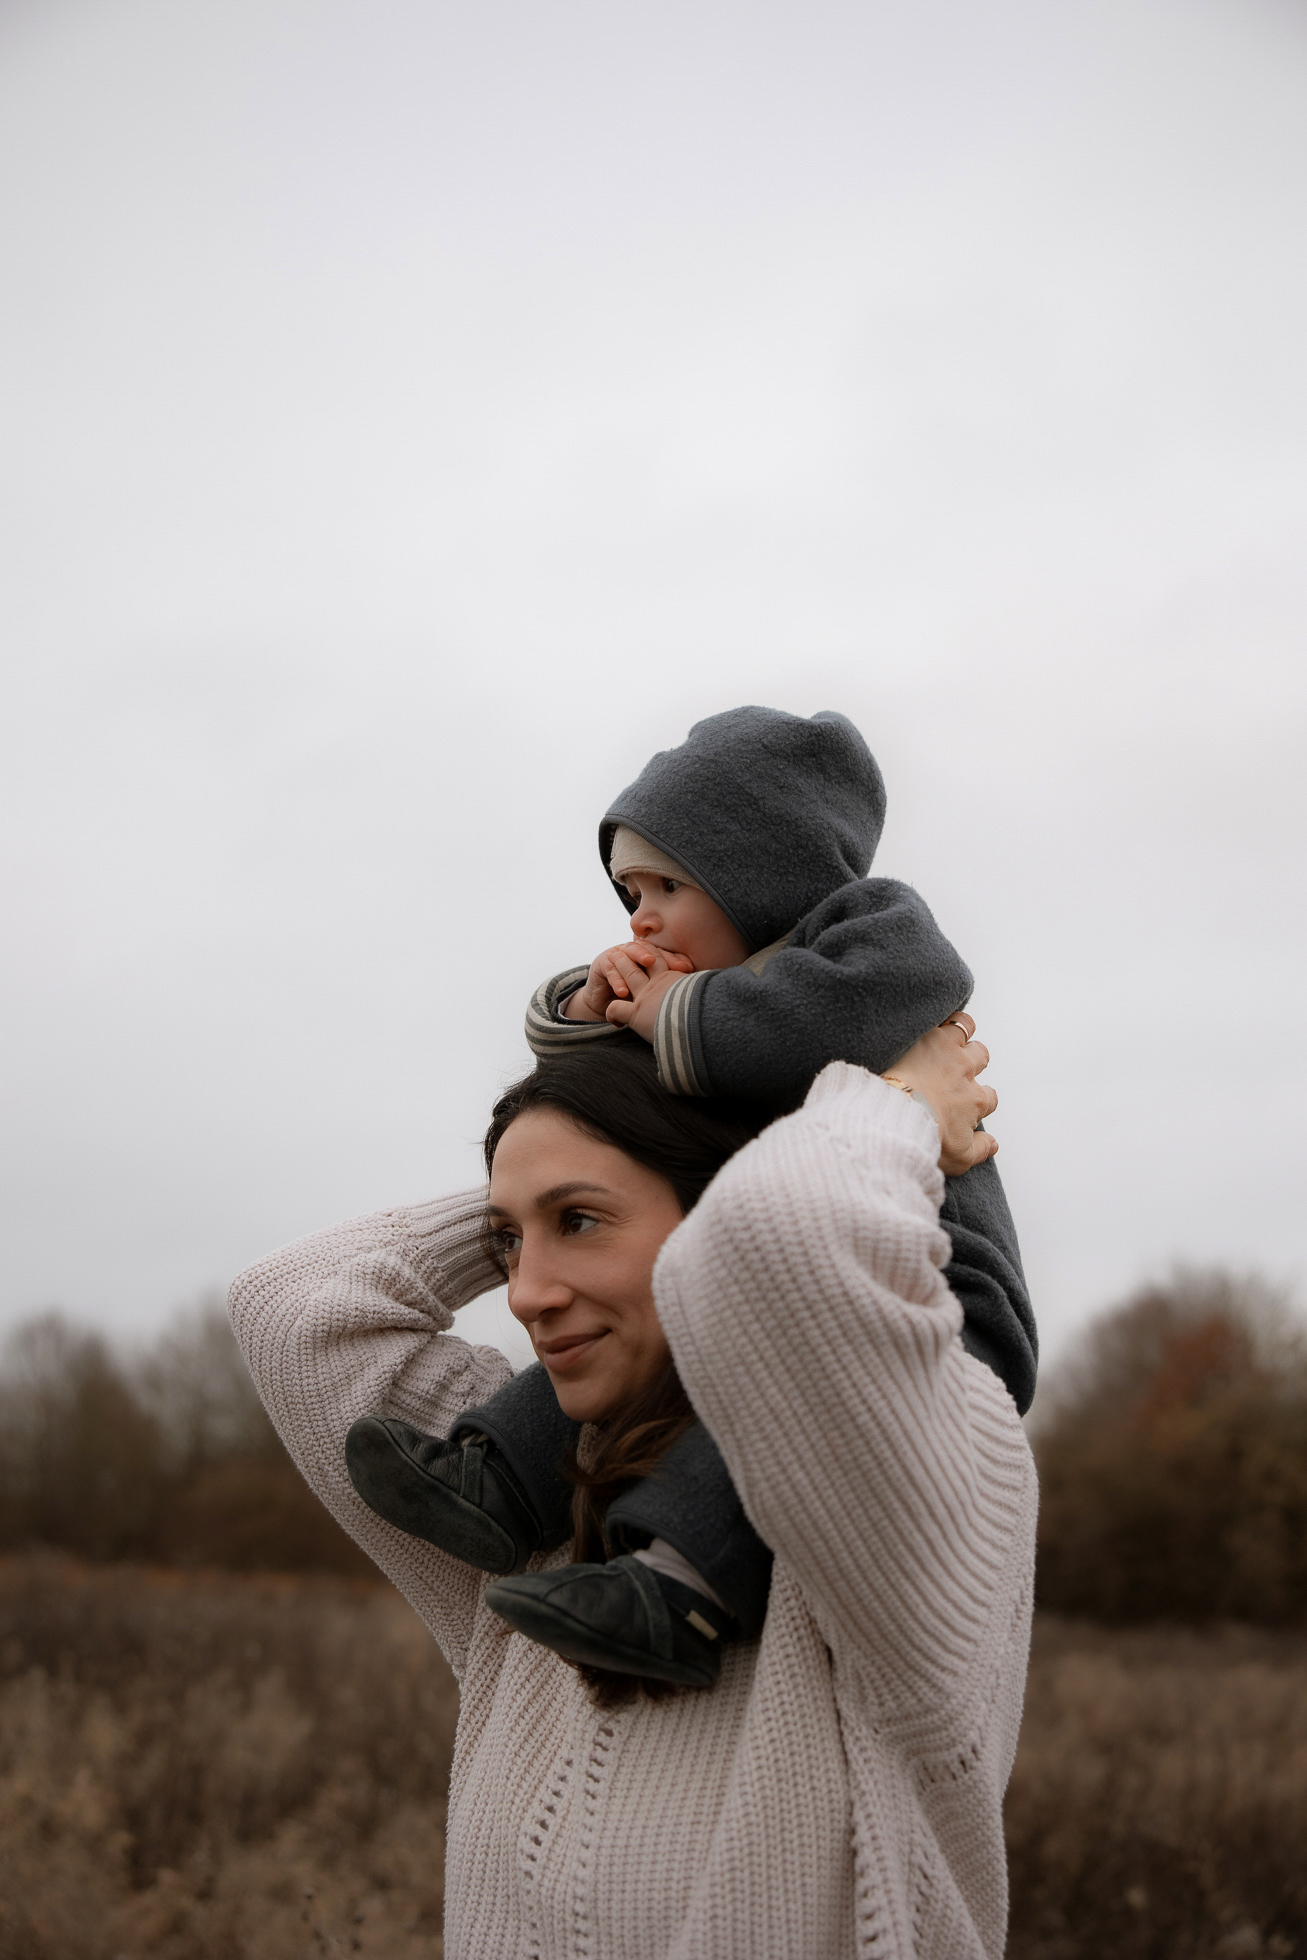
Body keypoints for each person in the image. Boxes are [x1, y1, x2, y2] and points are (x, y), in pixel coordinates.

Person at [229, 1025, 1035, 1960]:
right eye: (506, 1242)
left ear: (716, 1217)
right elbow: (287, 1305)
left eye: (577, 1222)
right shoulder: (534, 1511)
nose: (525, 1293)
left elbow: (777, 1241)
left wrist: (883, 1109)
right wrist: (556, 1145)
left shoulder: (925, 1474)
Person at [344, 707, 1036, 1683]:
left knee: (761, 1376)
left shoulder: (874, 936)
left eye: (666, 884)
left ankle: (677, 1587)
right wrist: (589, 1009)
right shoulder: (719, 991)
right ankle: (495, 1480)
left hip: (946, 1314)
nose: (639, 915)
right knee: (643, 1317)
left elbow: (795, 1031)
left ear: (763, 872)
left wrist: (673, 1007)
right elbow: (619, 1105)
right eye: (628, 890)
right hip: (799, 1271)